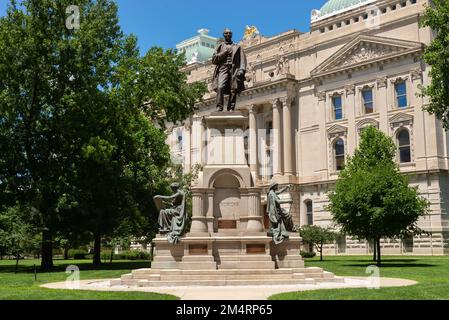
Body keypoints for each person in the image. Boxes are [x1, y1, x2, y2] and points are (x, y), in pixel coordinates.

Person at [211, 28, 247, 112]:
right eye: (226, 33)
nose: (228, 35)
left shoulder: (237, 47)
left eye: (230, 33)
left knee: (233, 89)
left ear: (232, 35)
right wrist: (224, 53)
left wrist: (241, 70)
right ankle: (219, 107)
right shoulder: (220, 46)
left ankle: (231, 108)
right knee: (220, 87)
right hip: (223, 68)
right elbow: (214, 60)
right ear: (223, 35)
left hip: (234, 69)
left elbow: (243, 60)